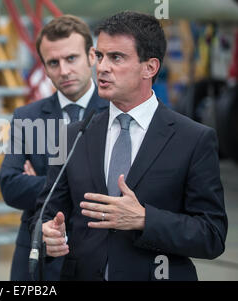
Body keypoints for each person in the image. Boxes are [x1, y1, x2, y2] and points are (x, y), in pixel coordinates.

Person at [33, 11, 228, 281]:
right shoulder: (72, 136)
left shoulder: (194, 139)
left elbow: (212, 235)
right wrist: (50, 236)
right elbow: (47, 214)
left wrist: (146, 219)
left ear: (150, 67)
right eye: (100, 56)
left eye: (116, 57)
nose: (101, 67)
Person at [0, 15, 108, 280]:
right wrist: (86, 187)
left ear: (91, 56)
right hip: (39, 258)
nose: (64, 71)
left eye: (72, 58)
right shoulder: (28, 116)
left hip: (98, 256)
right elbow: (10, 185)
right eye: (53, 63)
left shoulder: (116, 113)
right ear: (45, 68)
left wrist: (47, 184)